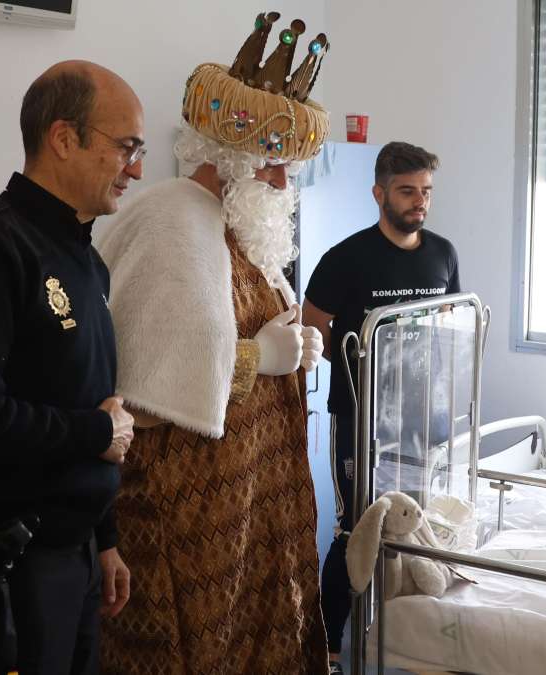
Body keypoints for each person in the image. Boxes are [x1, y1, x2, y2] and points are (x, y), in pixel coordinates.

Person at [95, 12, 330, 674]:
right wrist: (264, 359)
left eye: (288, 170)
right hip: (182, 521)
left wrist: (296, 346)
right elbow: (144, 387)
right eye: (274, 167)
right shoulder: (170, 219)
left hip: (250, 508)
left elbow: (243, 325)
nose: (283, 185)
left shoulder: (240, 230)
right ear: (234, 158)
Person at [0, 60, 143, 674]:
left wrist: (105, 540)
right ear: (64, 138)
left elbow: (89, 396)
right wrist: (96, 432)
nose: (136, 168)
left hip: (75, 558)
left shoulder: (86, 260)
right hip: (7, 563)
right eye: (126, 147)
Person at [303, 141, 461, 667]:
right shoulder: (345, 259)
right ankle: (327, 648)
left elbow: (449, 324)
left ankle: (402, 636)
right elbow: (312, 328)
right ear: (379, 194)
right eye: (407, 191)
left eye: (426, 191)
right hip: (359, 417)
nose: (420, 201)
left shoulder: (443, 254)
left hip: (420, 418)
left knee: (414, 521)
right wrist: (359, 373)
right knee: (356, 526)